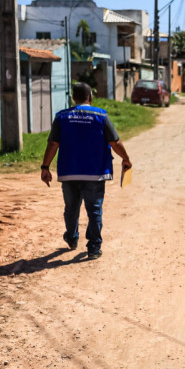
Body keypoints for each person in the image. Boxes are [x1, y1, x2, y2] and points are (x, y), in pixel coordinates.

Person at [40, 82, 132, 260]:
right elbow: (115, 142)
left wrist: (45, 167)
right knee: (94, 210)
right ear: (90, 97)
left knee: (71, 208)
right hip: (95, 172)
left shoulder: (61, 117)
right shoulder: (101, 116)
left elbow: (53, 144)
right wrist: (126, 158)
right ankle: (94, 248)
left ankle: (72, 237)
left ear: (73, 98)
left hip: (69, 172)